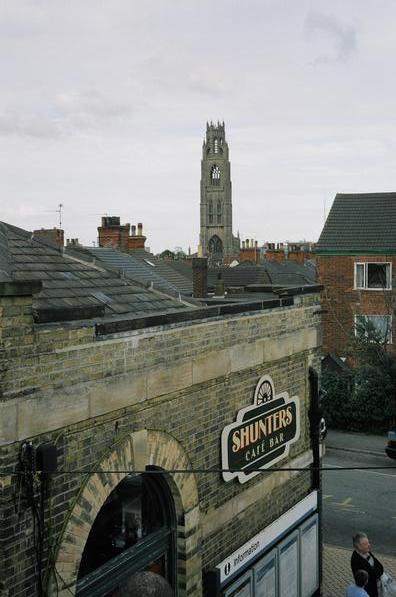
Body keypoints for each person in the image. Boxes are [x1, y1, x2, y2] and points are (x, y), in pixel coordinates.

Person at [351, 533, 384, 597]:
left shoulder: (366, 552)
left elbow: (380, 567)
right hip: (369, 591)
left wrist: (378, 571)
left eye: (368, 542)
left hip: (375, 588)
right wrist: (378, 571)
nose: (369, 545)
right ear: (359, 547)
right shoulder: (357, 560)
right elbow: (375, 574)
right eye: (366, 544)